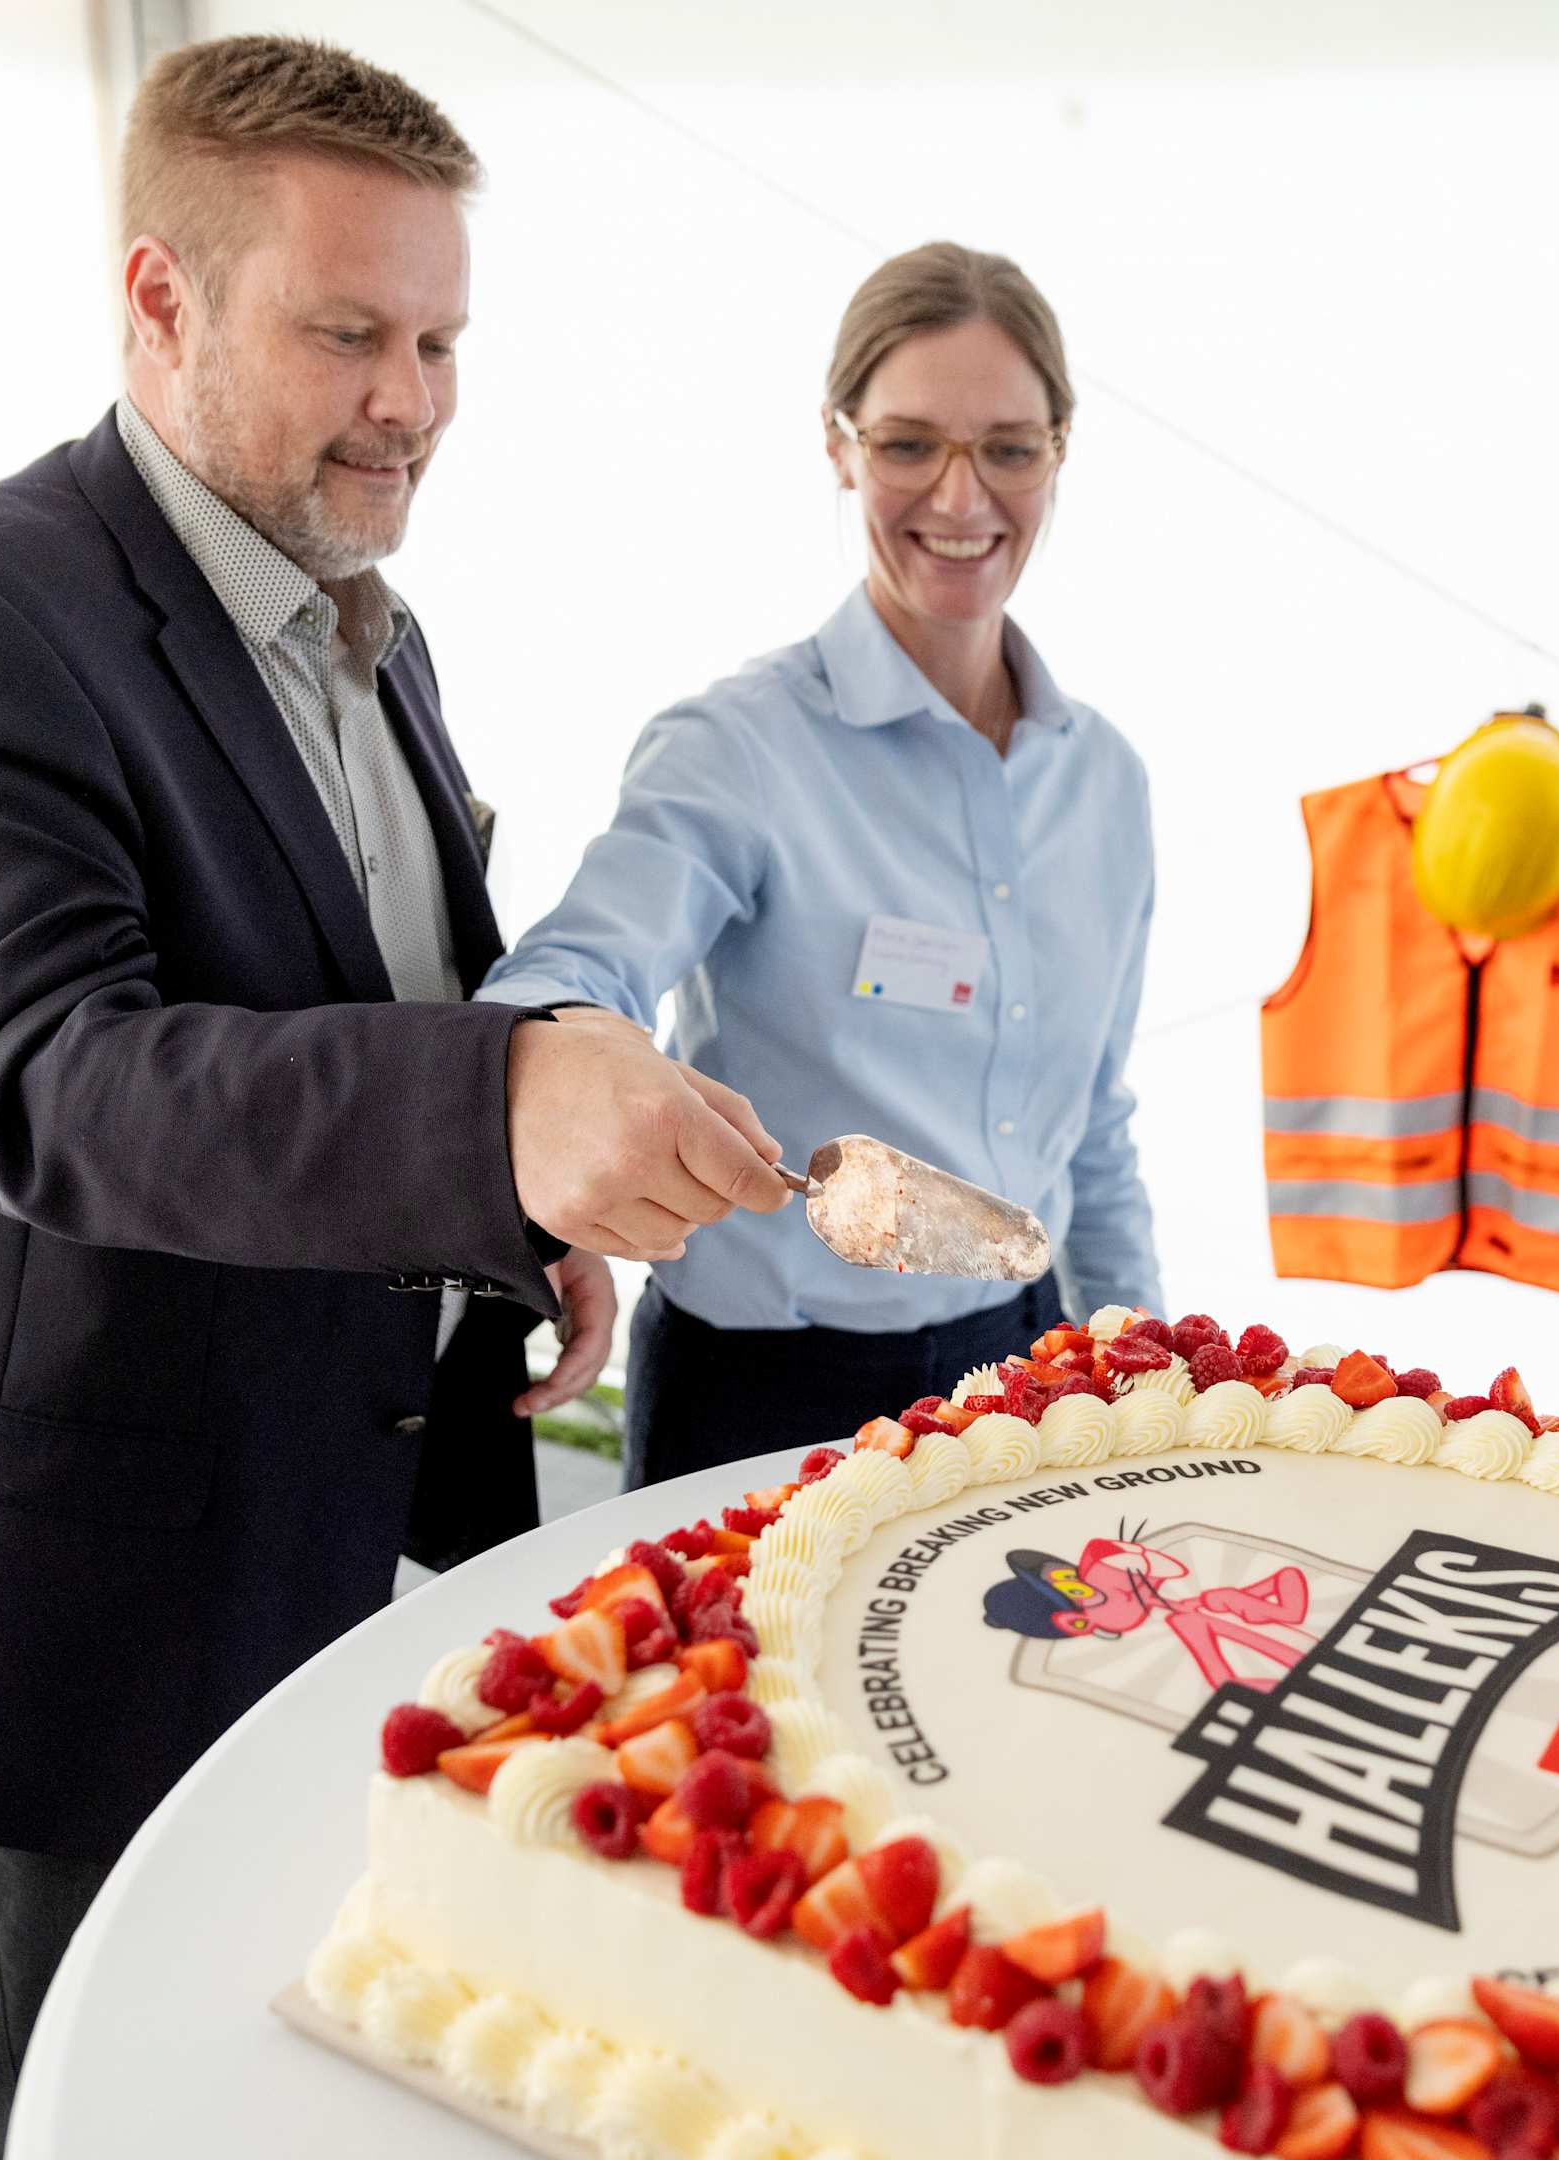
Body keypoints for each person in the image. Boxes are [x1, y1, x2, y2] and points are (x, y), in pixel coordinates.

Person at [0, 37, 790, 2156]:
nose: (410, 397)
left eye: (438, 339)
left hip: (329, 1514)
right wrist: (498, 1109)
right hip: (92, 1585)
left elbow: (373, 1002)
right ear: (159, 300)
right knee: (104, 2101)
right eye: (347, 333)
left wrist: (507, 1230)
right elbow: (49, 1082)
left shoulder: (370, 630)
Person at [482, 241, 1162, 1488]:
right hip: (769, 1390)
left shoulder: (1105, 785)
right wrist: (546, 1107)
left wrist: (1150, 1364)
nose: (962, 501)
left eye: (1009, 448)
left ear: (1061, 450)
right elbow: (570, 970)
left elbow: (1095, 1130)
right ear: (840, 447)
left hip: (1032, 1366)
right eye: (909, 445)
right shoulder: (738, 750)